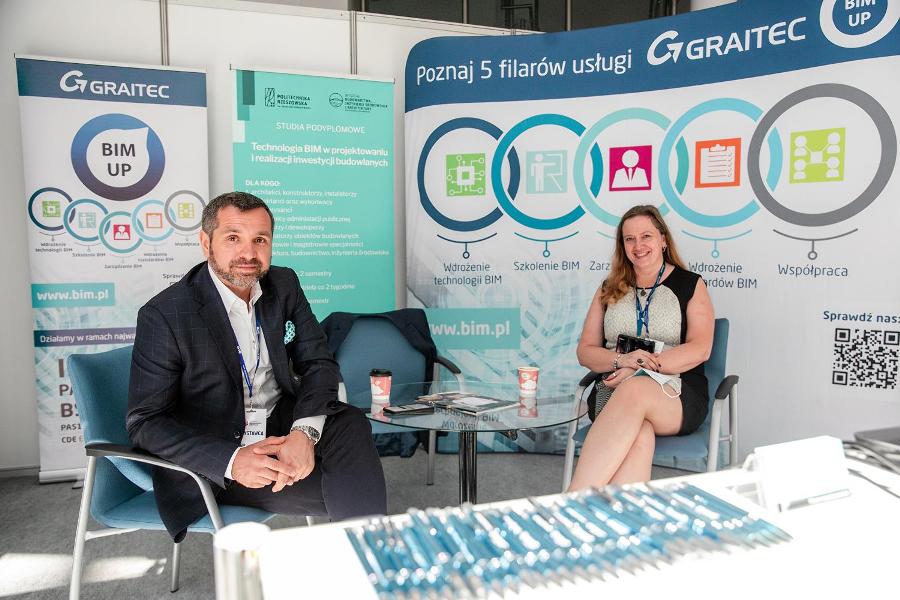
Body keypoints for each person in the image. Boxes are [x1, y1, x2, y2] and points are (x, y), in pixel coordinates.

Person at [126, 191, 386, 541]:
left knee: (350, 423)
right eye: (233, 238)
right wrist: (232, 461)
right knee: (351, 488)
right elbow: (144, 422)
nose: (248, 254)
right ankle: (371, 556)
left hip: (278, 421)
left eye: (260, 240)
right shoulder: (165, 315)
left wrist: (303, 433)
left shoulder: (284, 284)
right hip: (218, 449)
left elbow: (318, 363)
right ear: (206, 243)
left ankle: (366, 551)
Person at [568, 204, 714, 490]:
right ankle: (620, 516)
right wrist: (623, 361)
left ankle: (571, 500)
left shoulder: (690, 285)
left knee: (634, 388)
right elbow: (585, 351)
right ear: (622, 246)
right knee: (641, 434)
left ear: (663, 239)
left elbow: (701, 348)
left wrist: (640, 367)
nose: (638, 246)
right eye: (629, 239)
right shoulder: (608, 288)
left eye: (646, 236)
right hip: (611, 390)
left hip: (676, 393)